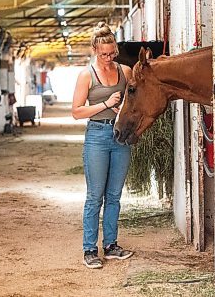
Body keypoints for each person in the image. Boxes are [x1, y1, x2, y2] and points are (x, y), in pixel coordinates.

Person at [72, 22, 133, 269]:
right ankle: (89, 249)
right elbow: (76, 111)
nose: (108, 58)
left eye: (111, 53)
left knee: (114, 196)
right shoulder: (87, 75)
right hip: (97, 135)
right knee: (94, 197)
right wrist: (106, 104)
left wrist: (123, 109)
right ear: (95, 50)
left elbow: (135, 100)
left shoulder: (126, 72)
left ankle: (110, 245)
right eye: (103, 54)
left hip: (120, 136)